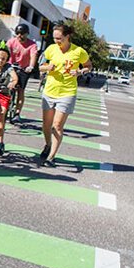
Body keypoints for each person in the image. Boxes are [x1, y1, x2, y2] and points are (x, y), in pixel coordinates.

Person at [38, 23, 92, 168]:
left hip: (67, 92)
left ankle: (51, 156)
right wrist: (47, 67)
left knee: (57, 125)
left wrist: (80, 72)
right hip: (50, 91)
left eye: (59, 38)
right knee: (46, 125)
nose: (56, 41)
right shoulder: (51, 49)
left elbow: (88, 66)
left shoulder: (79, 51)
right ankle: (48, 144)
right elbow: (40, 66)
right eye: (54, 38)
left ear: (67, 36)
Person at [6, 23, 38, 123]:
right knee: (5, 87)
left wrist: (31, 66)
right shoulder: (11, 42)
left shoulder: (32, 45)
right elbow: (5, 52)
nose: (19, 35)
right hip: (11, 67)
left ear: (27, 34)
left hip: (24, 69)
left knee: (20, 90)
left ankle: (17, 113)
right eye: (17, 33)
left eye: (22, 33)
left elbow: (33, 56)